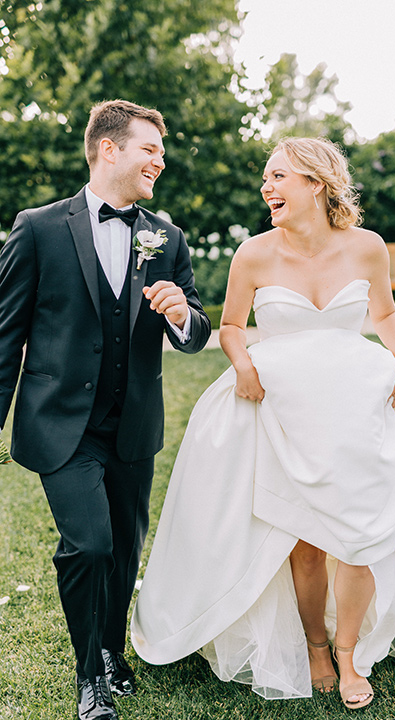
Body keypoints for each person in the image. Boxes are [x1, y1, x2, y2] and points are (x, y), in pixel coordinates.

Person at [131, 137, 395, 710]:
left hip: (355, 407)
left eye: (278, 177)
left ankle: (349, 655)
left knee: (360, 540)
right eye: (266, 179)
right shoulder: (254, 254)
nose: (267, 188)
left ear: (316, 183)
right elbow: (233, 325)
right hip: (283, 411)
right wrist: (241, 363)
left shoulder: (367, 247)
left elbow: (384, 312)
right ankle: (317, 646)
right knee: (305, 543)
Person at [0, 99, 211, 720]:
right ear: (109, 149)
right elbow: (6, 332)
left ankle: (114, 652)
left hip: (134, 424)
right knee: (88, 545)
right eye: (150, 149)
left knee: (123, 548)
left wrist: (180, 315)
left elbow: (196, 329)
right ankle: (89, 673)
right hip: (60, 421)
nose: (160, 161)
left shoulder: (165, 236)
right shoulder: (38, 228)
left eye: (162, 152)